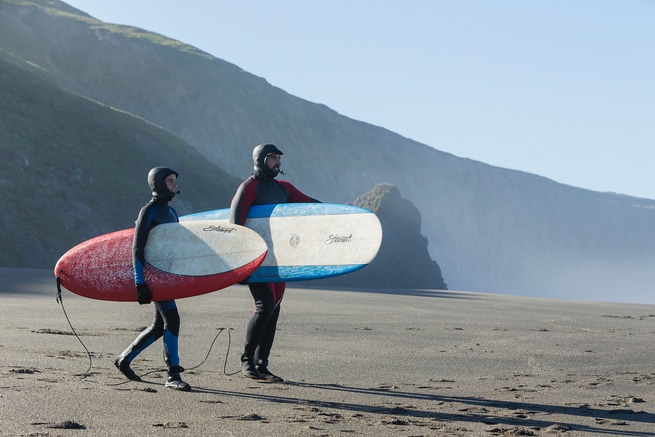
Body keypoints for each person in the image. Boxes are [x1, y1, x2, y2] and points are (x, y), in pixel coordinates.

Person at [230, 143, 320, 382]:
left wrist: (342, 215)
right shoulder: (249, 188)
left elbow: (311, 204)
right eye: (273, 158)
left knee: (274, 309)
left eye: (279, 158)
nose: (278, 163)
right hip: (256, 259)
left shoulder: (284, 188)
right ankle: (247, 360)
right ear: (260, 160)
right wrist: (240, 266)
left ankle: (263, 365)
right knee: (265, 306)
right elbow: (236, 225)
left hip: (279, 260)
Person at [113, 167, 191, 391]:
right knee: (172, 320)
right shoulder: (148, 211)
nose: (174, 185)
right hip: (152, 275)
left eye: (175, 181)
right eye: (169, 181)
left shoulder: (172, 213)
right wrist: (140, 282)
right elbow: (137, 248)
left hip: (167, 276)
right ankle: (172, 375)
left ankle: (124, 359)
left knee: (160, 326)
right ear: (157, 184)